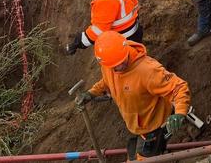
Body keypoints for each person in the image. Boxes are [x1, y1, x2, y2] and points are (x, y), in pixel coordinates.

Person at [76, 31, 191, 161]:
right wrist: (91, 93)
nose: (120, 66)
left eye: (122, 61)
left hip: (153, 126)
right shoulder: (109, 63)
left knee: (145, 157)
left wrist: (180, 112)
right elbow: (107, 80)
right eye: (115, 66)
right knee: (134, 153)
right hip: (137, 125)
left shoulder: (147, 70)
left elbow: (179, 87)